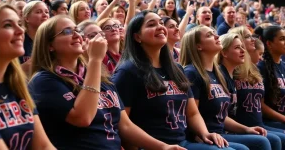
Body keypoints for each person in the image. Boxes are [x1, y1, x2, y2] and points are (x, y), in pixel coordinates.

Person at [28, 15, 183, 150]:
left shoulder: (99, 77)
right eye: (67, 32)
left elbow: (125, 126)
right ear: (49, 45)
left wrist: (163, 147)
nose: (76, 35)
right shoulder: (44, 81)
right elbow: (83, 118)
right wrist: (95, 60)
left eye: (77, 30)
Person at [113, 11, 230, 149]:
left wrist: (205, 133)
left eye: (161, 23)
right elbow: (123, 125)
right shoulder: (127, 72)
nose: (160, 27)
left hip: (181, 143)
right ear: (137, 37)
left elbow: (192, 113)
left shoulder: (177, 69)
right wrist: (163, 147)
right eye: (151, 24)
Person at [180, 25, 271, 150]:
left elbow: (222, 117)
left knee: (262, 140)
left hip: (219, 133)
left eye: (215, 33)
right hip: (203, 136)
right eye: (209, 35)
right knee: (255, 144)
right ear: (198, 46)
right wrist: (202, 134)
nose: (217, 36)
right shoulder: (191, 72)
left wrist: (246, 129)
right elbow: (191, 113)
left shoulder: (217, 74)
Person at [0, 3, 55, 149]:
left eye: (19, 24)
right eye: (8, 25)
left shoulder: (18, 86)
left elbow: (43, 146)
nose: (20, 30)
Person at [219, 32, 285, 149]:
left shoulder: (254, 70)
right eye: (238, 47)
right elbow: (214, 114)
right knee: (268, 141)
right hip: (231, 127)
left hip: (254, 124)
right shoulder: (222, 75)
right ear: (224, 52)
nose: (252, 39)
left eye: (242, 47)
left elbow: (260, 101)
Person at [255, 25, 285, 128]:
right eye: (282, 39)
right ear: (269, 43)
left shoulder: (283, 66)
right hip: (271, 122)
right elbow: (260, 105)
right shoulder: (261, 68)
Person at [21, 0, 49, 66]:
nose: (45, 15)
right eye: (38, 12)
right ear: (27, 18)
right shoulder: (19, 39)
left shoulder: (53, 38)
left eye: (47, 12)